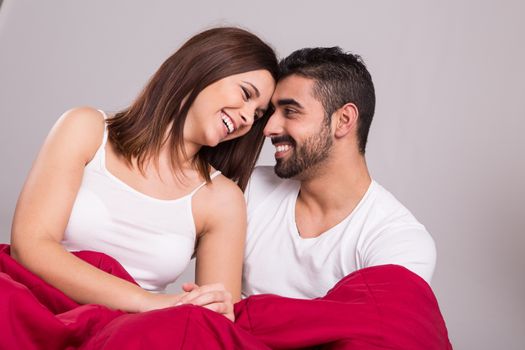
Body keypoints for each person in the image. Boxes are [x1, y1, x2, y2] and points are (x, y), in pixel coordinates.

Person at [8, 27, 278, 323]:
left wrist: (214, 306)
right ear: (204, 67)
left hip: (130, 334)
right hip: (40, 308)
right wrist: (148, 302)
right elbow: (30, 245)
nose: (247, 117)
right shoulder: (87, 129)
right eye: (246, 94)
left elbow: (217, 319)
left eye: (258, 113)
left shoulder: (222, 199)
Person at [242, 46, 437, 299]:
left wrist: (247, 312)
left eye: (290, 111)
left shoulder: (399, 242)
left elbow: (370, 334)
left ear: (344, 120)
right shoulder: (252, 189)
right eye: (271, 113)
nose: (268, 128)